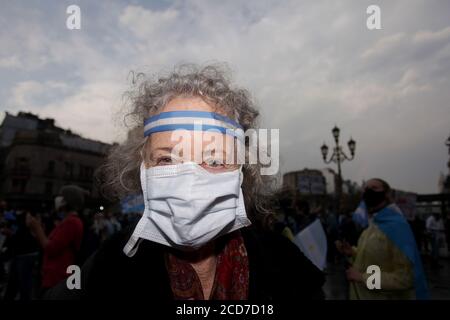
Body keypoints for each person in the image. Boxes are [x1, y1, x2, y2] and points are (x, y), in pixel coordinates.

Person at [44, 64, 324, 300]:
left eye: (214, 161)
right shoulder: (108, 268)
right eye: (167, 160)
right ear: (143, 169)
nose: (189, 182)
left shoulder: (285, 265)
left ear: (241, 171)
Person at [336, 178, 428, 300]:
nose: (369, 192)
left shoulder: (397, 227)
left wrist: (363, 278)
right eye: (366, 189)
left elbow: (406, 278)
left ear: (387, 194)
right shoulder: (372, 225)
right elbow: (378, 257)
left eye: (374, 188)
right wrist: (352, 252)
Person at [26, 185, 85, 293]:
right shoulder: (69, 221)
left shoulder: (72, 222)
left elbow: (51, 248)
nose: (58, 199)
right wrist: (38, 231)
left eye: (62, 197)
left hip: (57, 277)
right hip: (54, 277)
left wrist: (37, 228)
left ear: (67, 201)